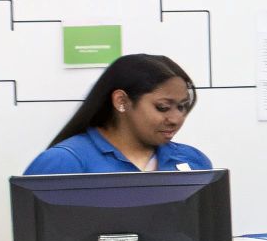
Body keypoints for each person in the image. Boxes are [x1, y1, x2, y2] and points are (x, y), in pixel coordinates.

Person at [23, 54, 210, 174]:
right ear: (121, 101)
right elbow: (37, 234)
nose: (176, 119)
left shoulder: (193, 160)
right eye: (162, 107)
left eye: (182, 107)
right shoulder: (64, 162)